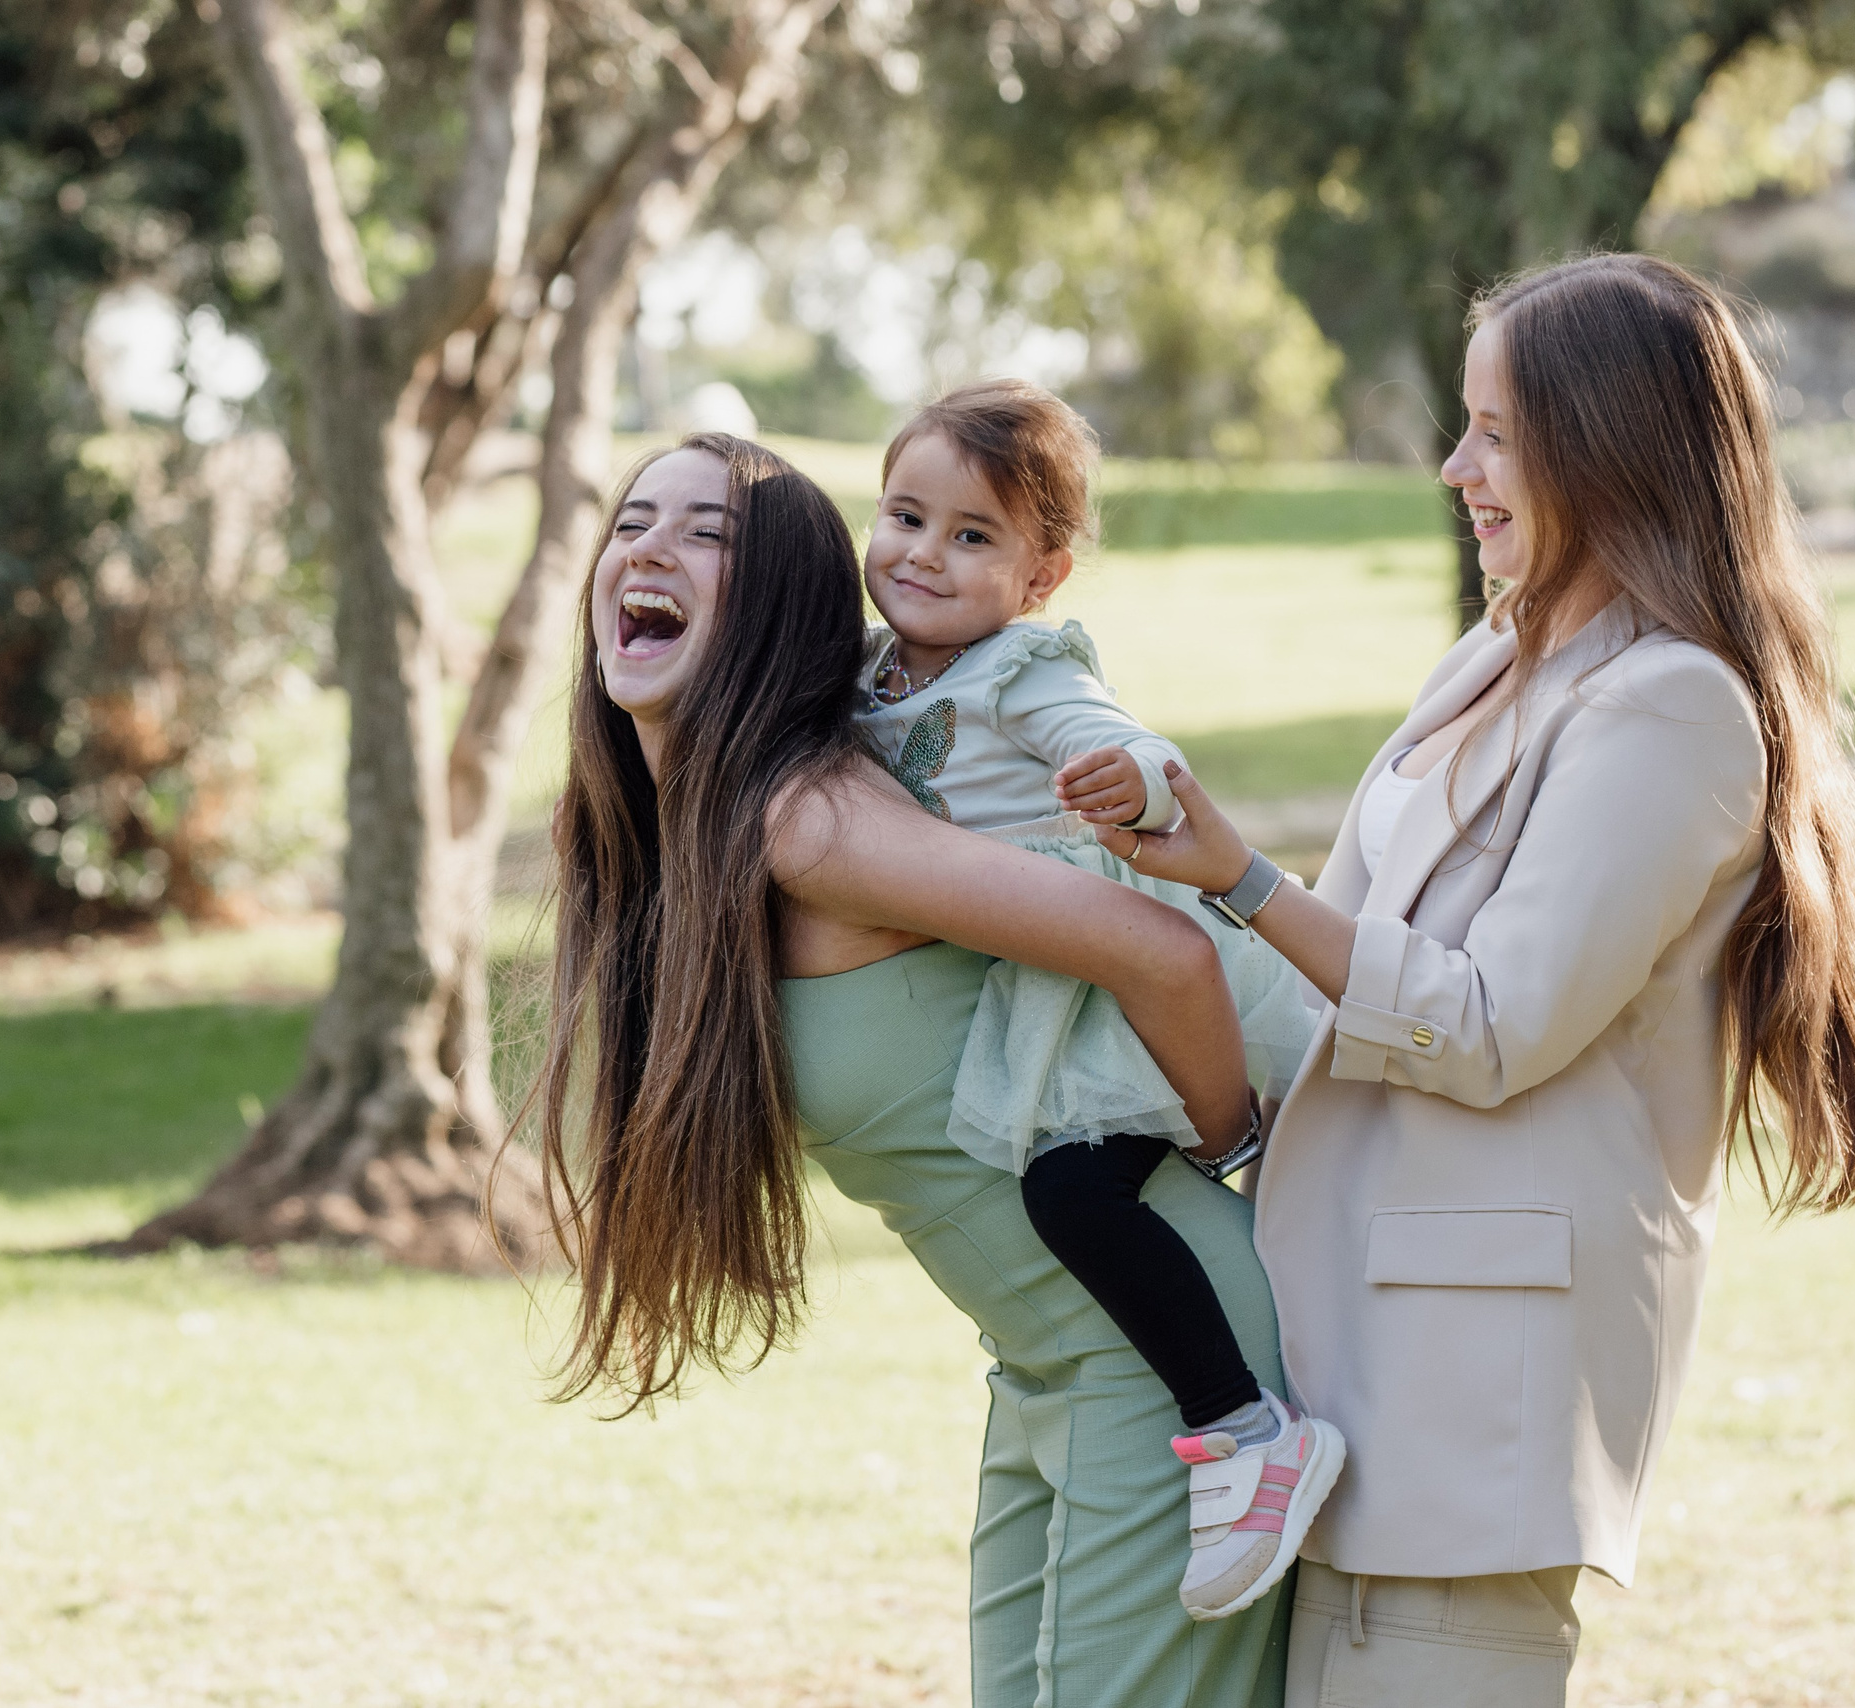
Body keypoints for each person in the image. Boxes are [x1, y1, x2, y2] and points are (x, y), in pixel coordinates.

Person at [1105, 254, 1855, 1705]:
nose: (1455, 466)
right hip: (1351, 1353)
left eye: (1496, 431)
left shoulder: (1675, 708)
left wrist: (1243, 883)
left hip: (1472, 1402)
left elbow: (1493, 1024)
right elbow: (1356, 966)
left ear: (1605, 445)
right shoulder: (1495, 657)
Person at [532, 430, 1300, 1706]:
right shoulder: (693, 835)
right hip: (1043, 1362)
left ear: (778, 598)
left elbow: (1162, 951)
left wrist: (1246, 1162)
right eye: (632, 523)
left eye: (706, 534)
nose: (650, 549)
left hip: (1158, 1362)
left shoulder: (810, 822)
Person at [857, 379, 1335, 1621]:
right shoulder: (871, 677)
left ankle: (1243, 1428)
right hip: (1052, 976)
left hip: (1119, 979)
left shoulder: (1022, 667)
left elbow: (1129, 740)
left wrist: (1134, 780)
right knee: (1132, 1189)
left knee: (1072, 1189)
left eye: (973, 537)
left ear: (1043, 572)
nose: (923, 554)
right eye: (905, 516)